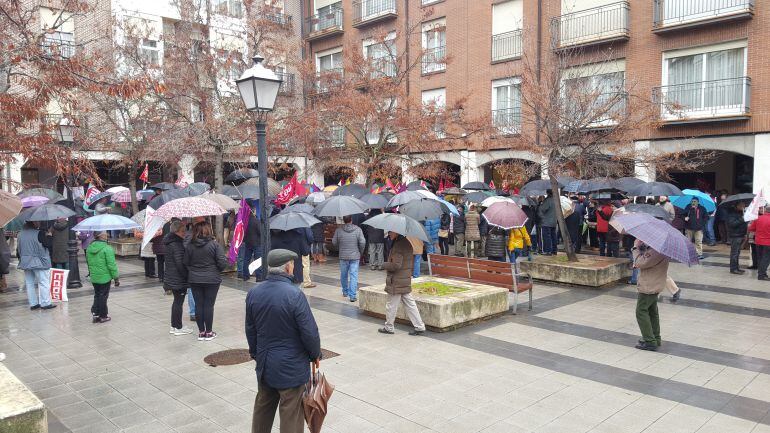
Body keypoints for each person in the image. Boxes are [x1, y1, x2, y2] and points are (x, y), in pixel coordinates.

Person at [246, 249, 321, 433]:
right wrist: (315, 354)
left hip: (265, 362)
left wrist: (257, 353)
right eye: (293, 264)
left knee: (263, 407)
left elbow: (251, 330)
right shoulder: (294, 295)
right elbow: (309, 332)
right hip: (291, 366)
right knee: (291, 412)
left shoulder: (254, 293)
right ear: (288, 267)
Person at [184, 221, 228, 341]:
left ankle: (201, 332)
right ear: (208, 230)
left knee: (199, 305)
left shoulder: (189, 246)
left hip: (195, 279)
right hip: (212, 279)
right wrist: (216, 270)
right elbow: (222, 262)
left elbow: (186, 262)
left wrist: (193, 270)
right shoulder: (214, 245)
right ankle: (209, 332)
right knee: (209, 305)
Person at [378, 231, 426, 336]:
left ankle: (389, 327)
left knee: (391, 305)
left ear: (396, 231)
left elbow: (396, 265)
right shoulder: (406, 242)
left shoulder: (398, 245)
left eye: (390, 231)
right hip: (404, 279)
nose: (388, 233)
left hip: (397, 280)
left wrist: (384, 265)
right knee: (410, 304)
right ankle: (419, 326)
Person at [633, 239, 670, 351]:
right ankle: (655, 338)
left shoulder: (657, 250)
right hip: (654, 283)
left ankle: (649, 341)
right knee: (652, 311)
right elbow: (647, 260)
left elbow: (640, 263)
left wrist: (635, 248)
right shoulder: (659, 247)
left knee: (641, 311)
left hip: (649, 285)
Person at [18, 221, 56, 310]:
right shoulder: (39, 233)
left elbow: (18, 249)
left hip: (25, 261)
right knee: (43, 282)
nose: (39, 223)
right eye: (37, 222)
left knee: (29, 283)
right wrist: (50, 235)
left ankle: (33, 304)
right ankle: (45, 303)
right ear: (34, 223)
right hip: (39, 262)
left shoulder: (20, 234)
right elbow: (48, 244)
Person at [164, 220, 193, 335]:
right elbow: (180, 264)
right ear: (176, 231)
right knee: (178, 302)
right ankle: (178, 327)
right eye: (182, 231)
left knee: (177, 302)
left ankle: (174, 326)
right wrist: (187, 276)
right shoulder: (177, 244)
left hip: (172, 277)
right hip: (178, 278)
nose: (184, 233)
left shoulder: (169, 242)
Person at [85, 231, 119, 323]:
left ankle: (95, 314)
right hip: (104, 277)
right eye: (105, 233)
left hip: (94, 277)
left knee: (97, 295)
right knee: (103, 296)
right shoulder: (107, 248)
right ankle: (103, 316)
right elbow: (112, 265)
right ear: (101, 236)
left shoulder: (89, 247)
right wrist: (116, 278)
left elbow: (89, 262)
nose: (107, 235)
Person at [332, 215, 365, 302]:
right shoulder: (358, 229)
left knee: (343, 274)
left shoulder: (338, 230)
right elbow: (362, 242)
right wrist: (360, 252)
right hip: (355, 256)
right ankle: (352, 296)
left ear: (343, 220)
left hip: (343, 256)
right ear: (351, 220)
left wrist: (340, 248)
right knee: (354, 275)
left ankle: (345, 291)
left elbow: (334, 242)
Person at [726, 202, 748, 274]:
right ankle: (733, 269)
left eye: (744, 205)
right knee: (734, 253)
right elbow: (732, 224)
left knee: (737, 253)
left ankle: (737, 267)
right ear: (737, 206)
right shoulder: (731, 214)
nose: (743, 207)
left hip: (741, 234)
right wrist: (742, 219)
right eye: (741, 205)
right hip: (735, 236)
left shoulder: (741, 213)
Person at [749, 205, 770, 281]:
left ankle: (763, 274)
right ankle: (761, 275)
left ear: (766, 210)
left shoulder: (758, 218)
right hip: (768, 243)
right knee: (766, 259)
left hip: (758, 242)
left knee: (760, 258)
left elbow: (751, 228)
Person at [242, 203, 261, 281]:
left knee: (246, 259)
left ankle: (245, 276)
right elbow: (260, 232)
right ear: (253, 211)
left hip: (247, 242)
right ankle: (259, 277)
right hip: (257, 243)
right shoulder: (256, 221)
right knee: (257, 260)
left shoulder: (244, 221)